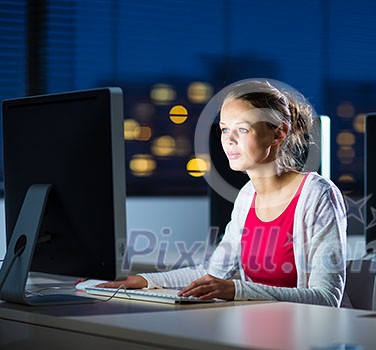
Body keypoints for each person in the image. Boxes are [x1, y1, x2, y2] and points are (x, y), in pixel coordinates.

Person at [95, 79, 348, 307]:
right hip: (257, 330)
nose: (228, 140)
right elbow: (212, 273)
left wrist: (236, 289)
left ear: (278, 133)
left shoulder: (317, 194)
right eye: (225, 129)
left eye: (243, 129)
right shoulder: (248, 196)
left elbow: (326, 298)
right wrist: (143, 280)